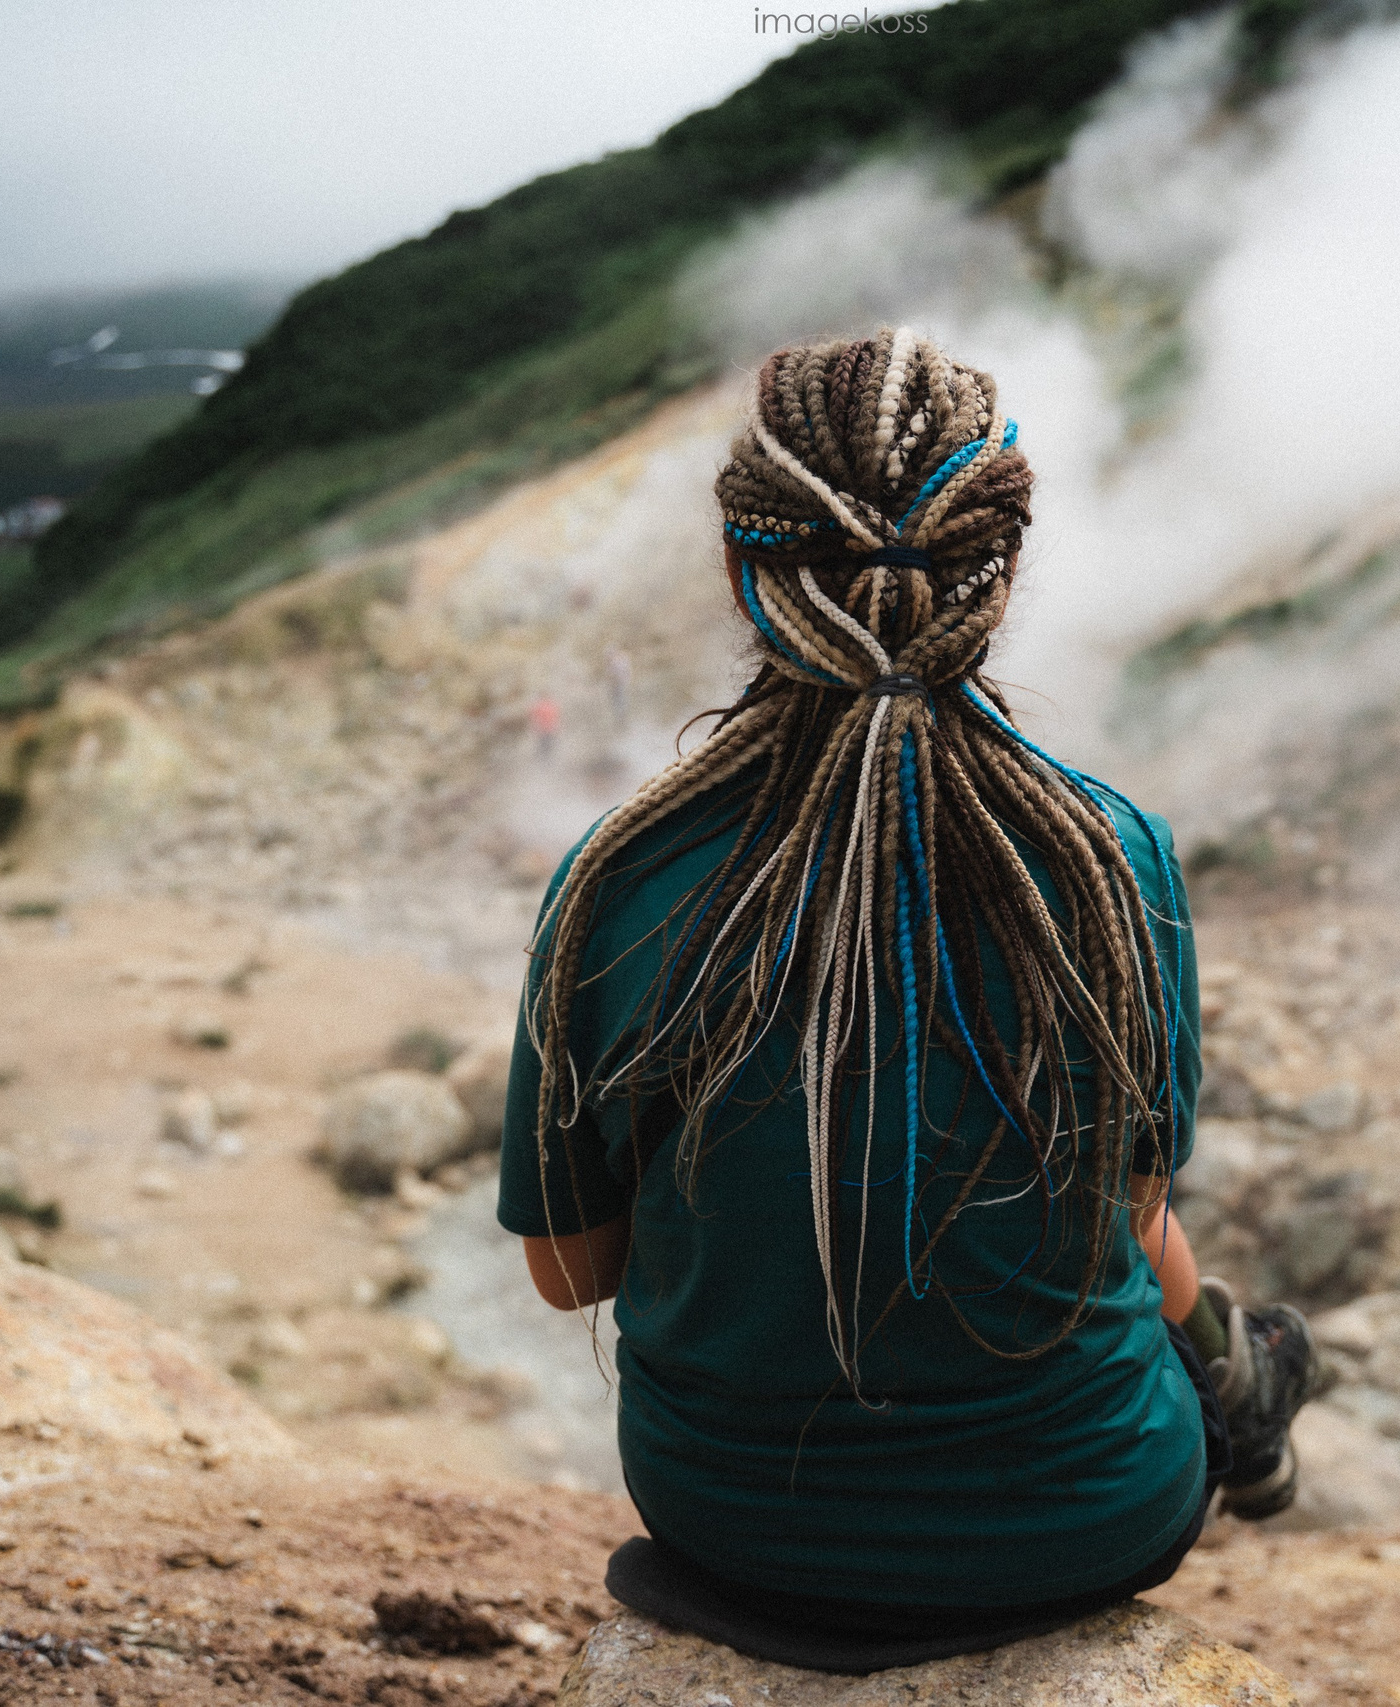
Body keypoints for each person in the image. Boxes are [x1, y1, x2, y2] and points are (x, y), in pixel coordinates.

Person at [498, 332, 1315, 1674]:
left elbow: (570, 1269)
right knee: (1197, 1326)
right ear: (1001, 578)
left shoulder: (615, 878)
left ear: (742, 572)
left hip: (727, 1523)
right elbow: (1128, 1211)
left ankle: (1240, 1373)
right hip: (1085, 1516)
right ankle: (1243, 1381)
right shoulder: (1111, 858)